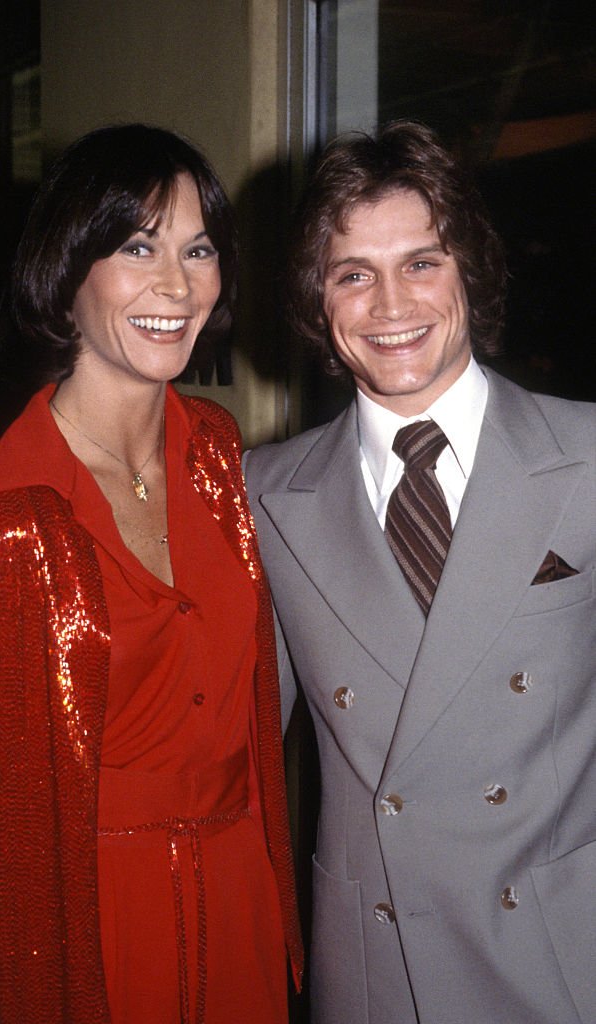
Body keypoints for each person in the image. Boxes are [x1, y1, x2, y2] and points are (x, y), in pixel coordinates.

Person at [0, 123, 302, 1024]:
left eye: (197, 249)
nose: (176, 284)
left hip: (240, 894)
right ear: (68, 271)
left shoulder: (215, 451)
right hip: (89, 927)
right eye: (138, 247)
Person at [243, 120, 595, 1024]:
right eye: (352, 272)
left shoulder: (588, 459)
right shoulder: (264, 495)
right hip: (378, 966)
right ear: (316, 301)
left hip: (559, 954)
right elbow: (227, 756)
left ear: (469, 274)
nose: (389, 304)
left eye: (423, 262)